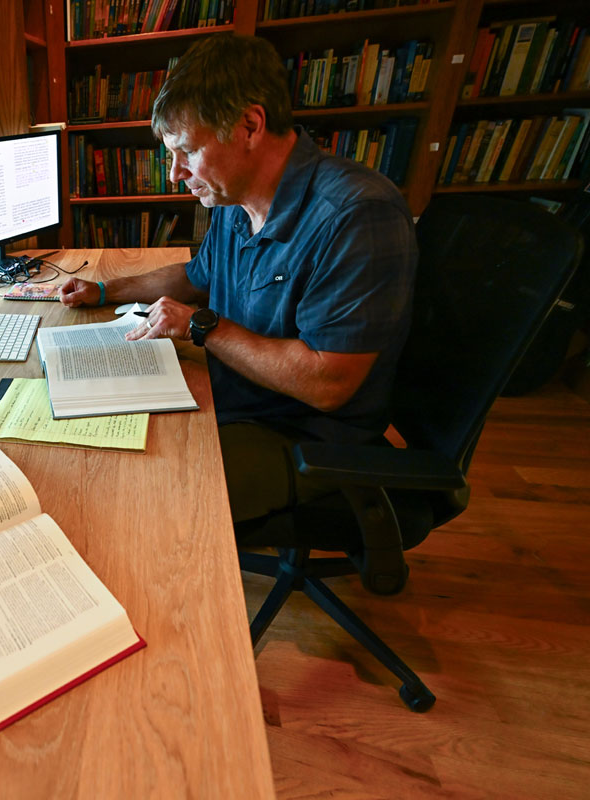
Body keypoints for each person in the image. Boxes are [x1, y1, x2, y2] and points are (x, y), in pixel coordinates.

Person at [58, 34, 418, 529]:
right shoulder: (234, 196)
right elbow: (196, 276)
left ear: (250, 126)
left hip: (304, 434)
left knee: (136, 501)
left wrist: (201, 326)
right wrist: (104, 290)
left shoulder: (356, 215)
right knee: (93, 441)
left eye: (187, 151)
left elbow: (327, 384)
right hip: (234, 392)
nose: (175, 173)